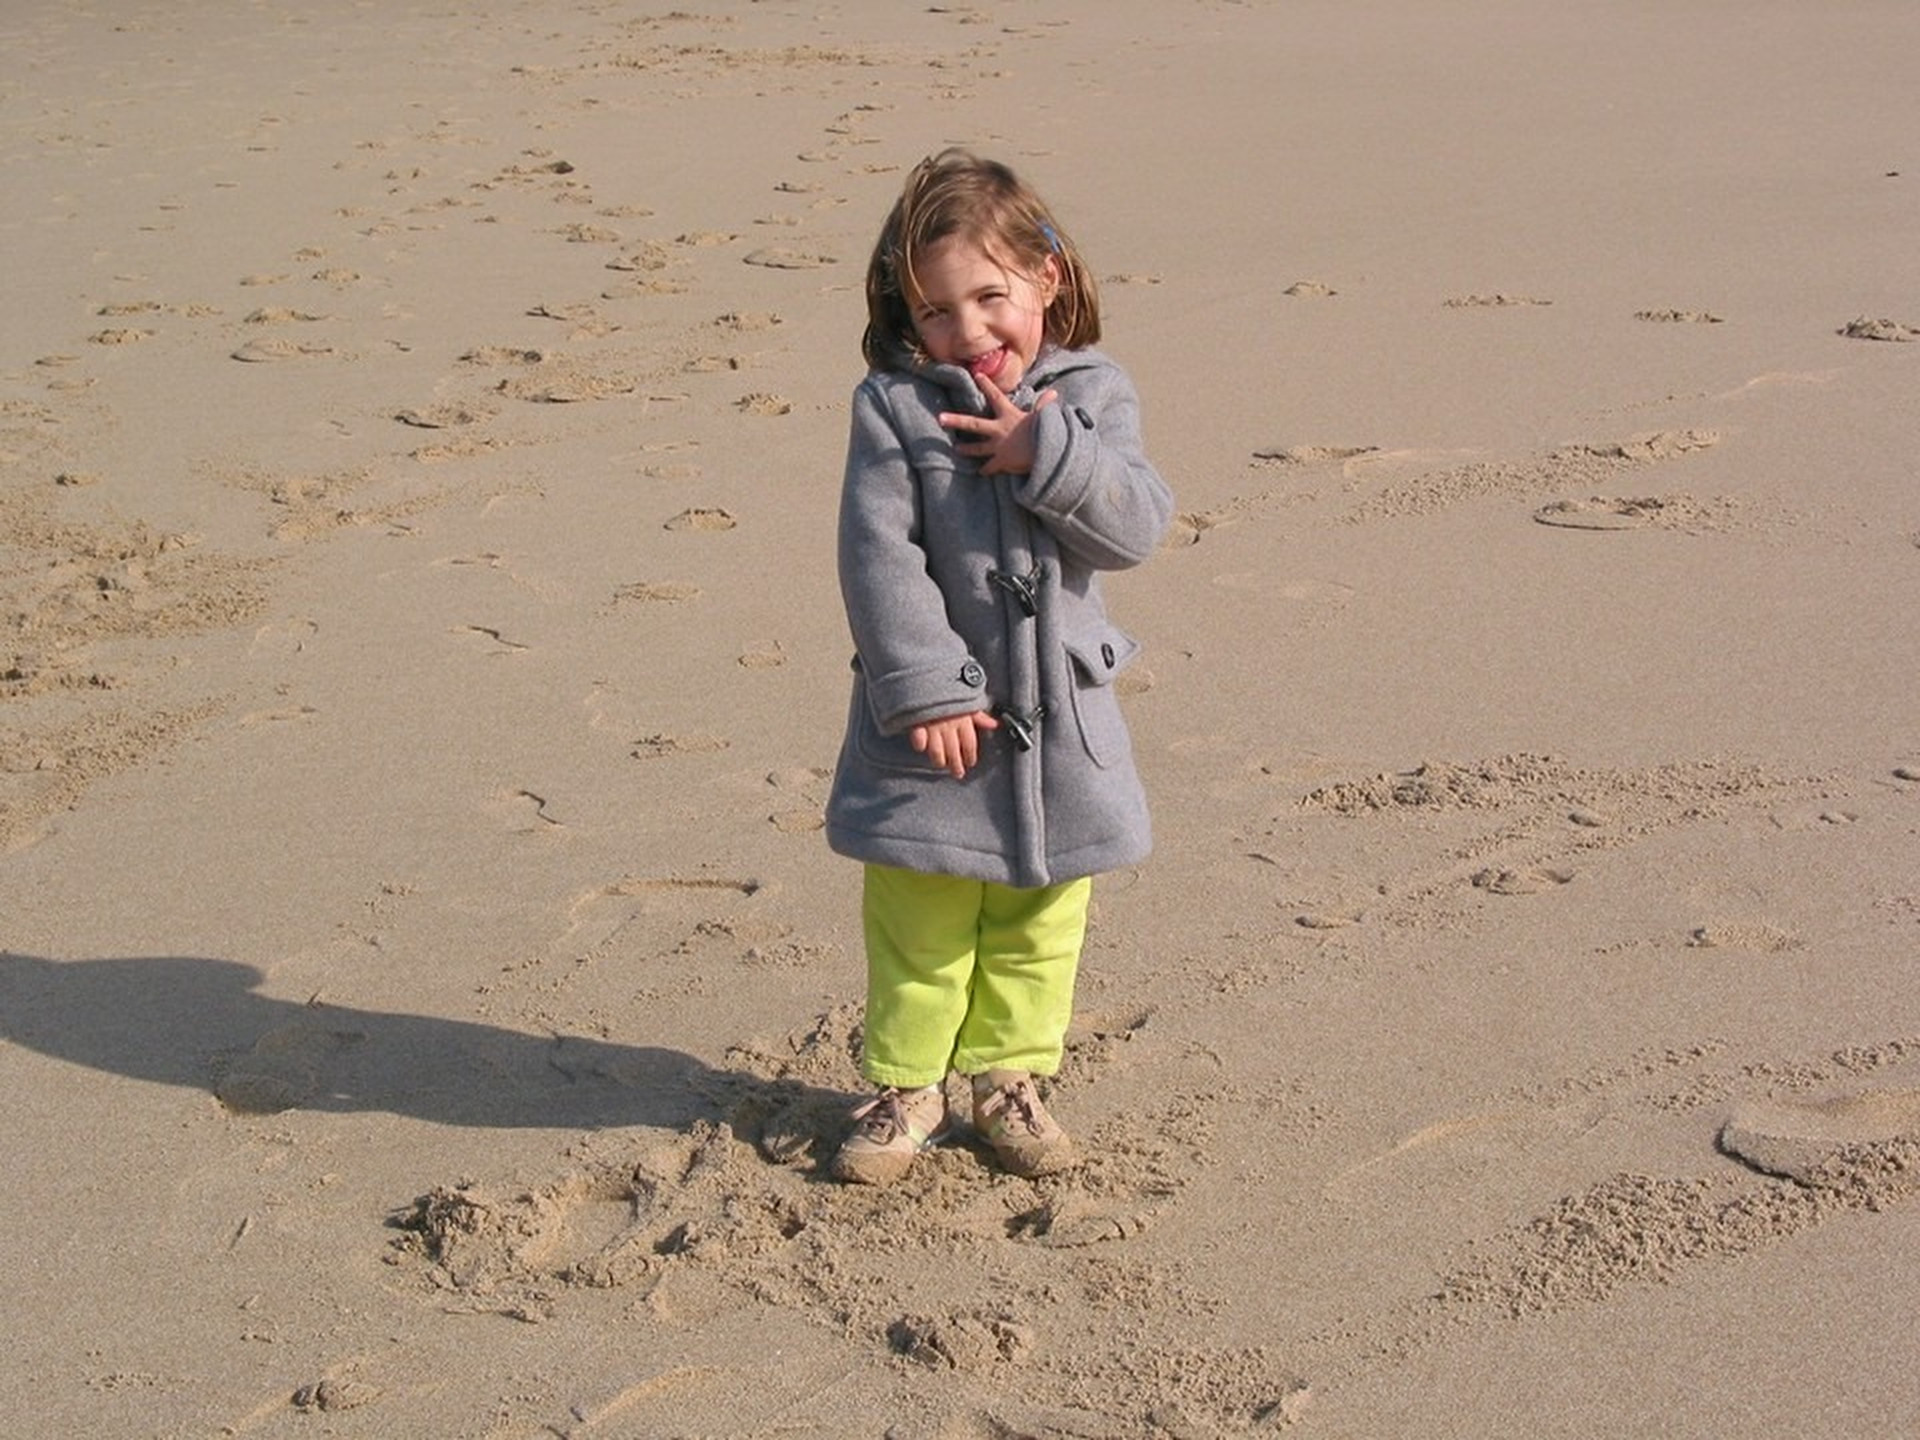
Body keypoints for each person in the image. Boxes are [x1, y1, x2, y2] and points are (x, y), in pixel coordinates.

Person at [824, 149, 1173, 1186]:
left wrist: (1045, 452)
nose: (969, 331)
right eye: (936, 311)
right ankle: (907, 1086)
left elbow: (1135, 529)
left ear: (1045, 277)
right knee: (920, 916)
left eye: (990, 297)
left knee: (1041, 914)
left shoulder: (1094, 394)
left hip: (1059, 723)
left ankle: (1009, 1081)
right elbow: (878, 555)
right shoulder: (894, 407)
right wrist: (926, 685)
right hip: (935, 731)